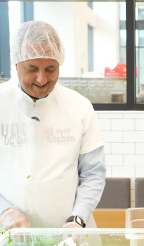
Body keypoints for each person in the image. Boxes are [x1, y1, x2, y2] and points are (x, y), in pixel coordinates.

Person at [0, 20, 106, 230]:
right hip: (9, 233)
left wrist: (78, 218)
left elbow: (93, 173)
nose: (41, 78)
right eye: (32, 69)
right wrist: (4, 211)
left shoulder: (79, 107)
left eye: (50, 68)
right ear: (16, 65)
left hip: (70, 234)